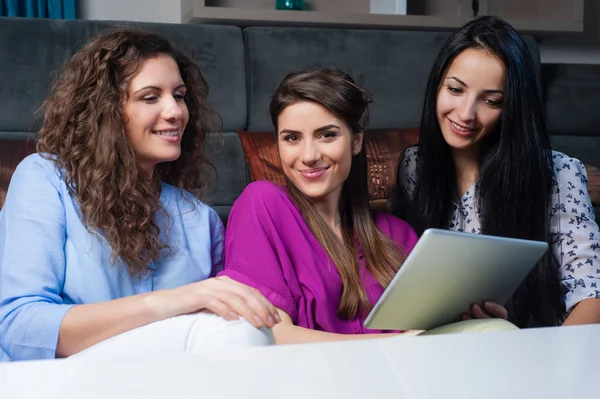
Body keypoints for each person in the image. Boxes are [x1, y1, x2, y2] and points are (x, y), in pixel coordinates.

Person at [0, 28, 279, 362]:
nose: (175, 111)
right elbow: (19, 328)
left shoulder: (199, 219)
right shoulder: (45, 180)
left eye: (179, 95)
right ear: (105, 111)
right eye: (150, 97)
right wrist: (170, 302)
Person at [219, 68, 515, 344]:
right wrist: (397, 344)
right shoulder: (262, 203)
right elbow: (274, 335)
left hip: (406, 380)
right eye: (292, 138)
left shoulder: (397, 234)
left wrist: (469, 321)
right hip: (311, 383)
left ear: (357, 141)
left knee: (496, 332)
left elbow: (426, 331)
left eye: (327, 135)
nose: (308, 155)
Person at [389, 16, 600, 328]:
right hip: (446, 344)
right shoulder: (415, 166)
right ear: (437, 85)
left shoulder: (558, 172)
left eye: (491, 101)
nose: (465, 114)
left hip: (536, 345)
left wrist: (556, 365)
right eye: (455, 89)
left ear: (512, 108)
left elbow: (591, 294)